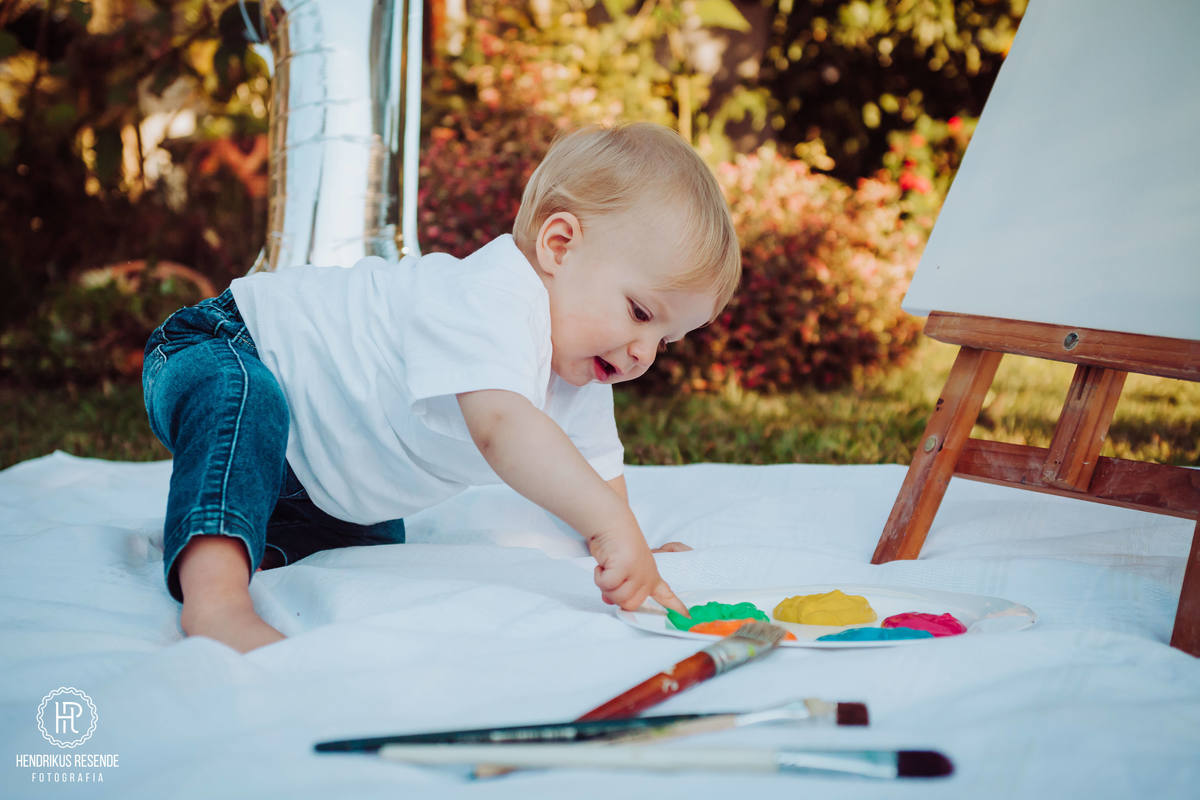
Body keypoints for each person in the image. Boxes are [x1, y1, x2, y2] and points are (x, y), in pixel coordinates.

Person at [142, 122, 742, 652]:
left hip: (316, 478)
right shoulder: (494, 294)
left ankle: (250, 535)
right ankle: (215, 602)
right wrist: (611, 526)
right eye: (640, 313)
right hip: (231, 347)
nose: (644, 353)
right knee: (245, 406)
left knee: (366, 538)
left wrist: (623, 541)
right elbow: (502, 429)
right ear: (559, 245)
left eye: (667, 340)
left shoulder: (580, 375)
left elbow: (595, 470)